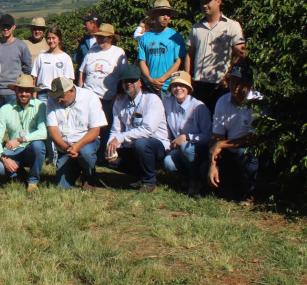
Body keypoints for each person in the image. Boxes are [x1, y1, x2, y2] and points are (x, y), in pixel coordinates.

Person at [106, 65, 170, 193]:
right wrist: (110, 147)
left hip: (155, 145)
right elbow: (115, 129)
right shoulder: (119, 102)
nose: (129, 84)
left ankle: (150, 182)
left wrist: (120, 138)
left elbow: (147, 130)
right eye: (125, 81)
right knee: (108, 156)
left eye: (132, 80)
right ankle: (140, 176)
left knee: (141, 143)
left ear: (140, 82)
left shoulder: (152, 99)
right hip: (132, 146)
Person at [185, 0, 247, 113]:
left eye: (208, 1)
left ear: (218, 1)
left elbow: (241, 54)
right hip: (199, 84)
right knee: (199, 122)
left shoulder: (232, 26)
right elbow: (190, 55)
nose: (204, 5)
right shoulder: (196, 28)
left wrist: (229, 77)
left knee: (219, 122)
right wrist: (187, 79)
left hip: (219, 85)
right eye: (202, 2)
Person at [209, 61, 263, 203]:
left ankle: (251, 192)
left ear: (250, 84)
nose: (236, 87)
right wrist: (212, 165)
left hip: (250, 152)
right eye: (232, 82)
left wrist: (221, 145)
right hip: (229, 153)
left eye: (240, 83)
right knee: (204, 165)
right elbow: (216, 136)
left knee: (243, 153)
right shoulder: (222, 101)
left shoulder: (258, 102)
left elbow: (253, 138)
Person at [46, 76, 106, 191]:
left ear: (72, 91)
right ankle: (76, 169)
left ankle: (89, 177)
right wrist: (66, 147)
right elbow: (53, 130)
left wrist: (77, 146)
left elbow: (95, 130)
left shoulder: (90, 97)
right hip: (65, 147)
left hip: (86, 142)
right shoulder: (52, 101)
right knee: (62, 187)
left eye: (61, 96)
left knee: (86, 152)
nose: (58, 100)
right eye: (56, 96)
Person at [0, 75, 48, 191]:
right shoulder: (5, 109)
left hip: (31, 149)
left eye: (27, 91)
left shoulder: (40, 106)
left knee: (38, 145)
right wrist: (4, 158)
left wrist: (20, 139)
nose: (24, 94)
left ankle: (33, 181)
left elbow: (43, 132)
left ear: (32, 91)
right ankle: (18, 174)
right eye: (21, 90)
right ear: (15, 90)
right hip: (14, 151)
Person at [77, 23, 128, 154]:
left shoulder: (118, 52)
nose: (100, 40)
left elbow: (123, 75)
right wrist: (80, 91)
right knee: (88, 125)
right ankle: (87, 151)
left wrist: (119, 93)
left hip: (107, 97)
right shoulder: (91, 51)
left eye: (104, 37)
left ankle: (103, 153)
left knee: (105, 126)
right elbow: (82, 72)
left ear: (111, 38)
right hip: (89, 96)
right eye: (99, 37)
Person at [162, 72, 211, 195]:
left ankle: (196, 181)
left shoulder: (199, 107)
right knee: (168, 163)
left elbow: (209, 135)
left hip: (198, 149)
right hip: (179, 149)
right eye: (174, 85)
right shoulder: (167, 103)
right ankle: (185, 176)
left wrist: (187, 137)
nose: (178, 88)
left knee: (186, 147)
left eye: (181, 85)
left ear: (188, 88)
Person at [138, 0, 186, 94]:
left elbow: (178, 61)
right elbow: (142, 61)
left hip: (168, 86)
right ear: (154, 16)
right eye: (162, 14)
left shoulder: (176, 36)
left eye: (168, 15)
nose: (166, 17)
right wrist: (149, 79)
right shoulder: (145, 38)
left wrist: (162, 79)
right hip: (149, 86)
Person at [0, 14, 33, 107]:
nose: (5, 29)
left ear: (14, 27)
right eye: (3, 26)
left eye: (8, 26)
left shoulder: (21, 46)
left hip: (14, 91)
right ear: (0, 27)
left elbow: (27, 67)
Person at [31, 26, 76, 93]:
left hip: (59, 93)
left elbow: (69, 81)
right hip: (42, 93)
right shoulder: (41, 57)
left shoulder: (65, 58)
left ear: (59, 39)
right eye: (49, 38)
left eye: (53, 38)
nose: (51, 41)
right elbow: (34, 79)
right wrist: (34, 96)